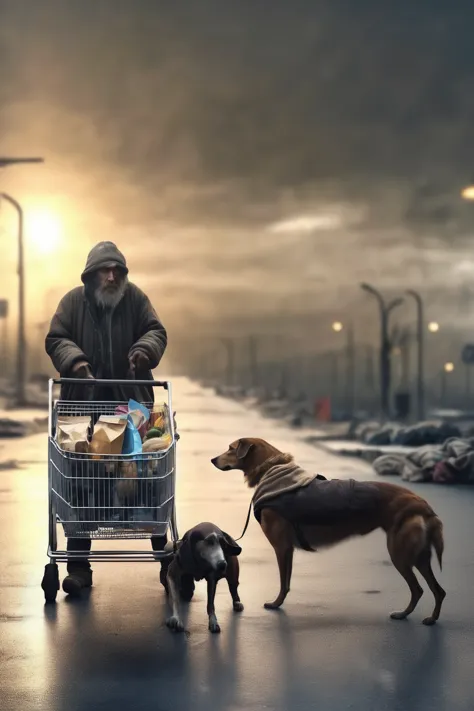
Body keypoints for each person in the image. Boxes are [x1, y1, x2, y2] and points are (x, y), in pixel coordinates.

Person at [45, 241, 168, 597]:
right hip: (83, 410)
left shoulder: (137, 299)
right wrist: (76, 362)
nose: (111, 276)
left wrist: (144, 352)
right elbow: (56, 338)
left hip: (132, 409)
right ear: (91, 275)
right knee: (82, 484)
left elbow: (156, 330)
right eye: (105, 269)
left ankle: (167, 561)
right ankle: (79, 569)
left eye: (117, 270)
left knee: (147, 479)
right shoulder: (71, 303)